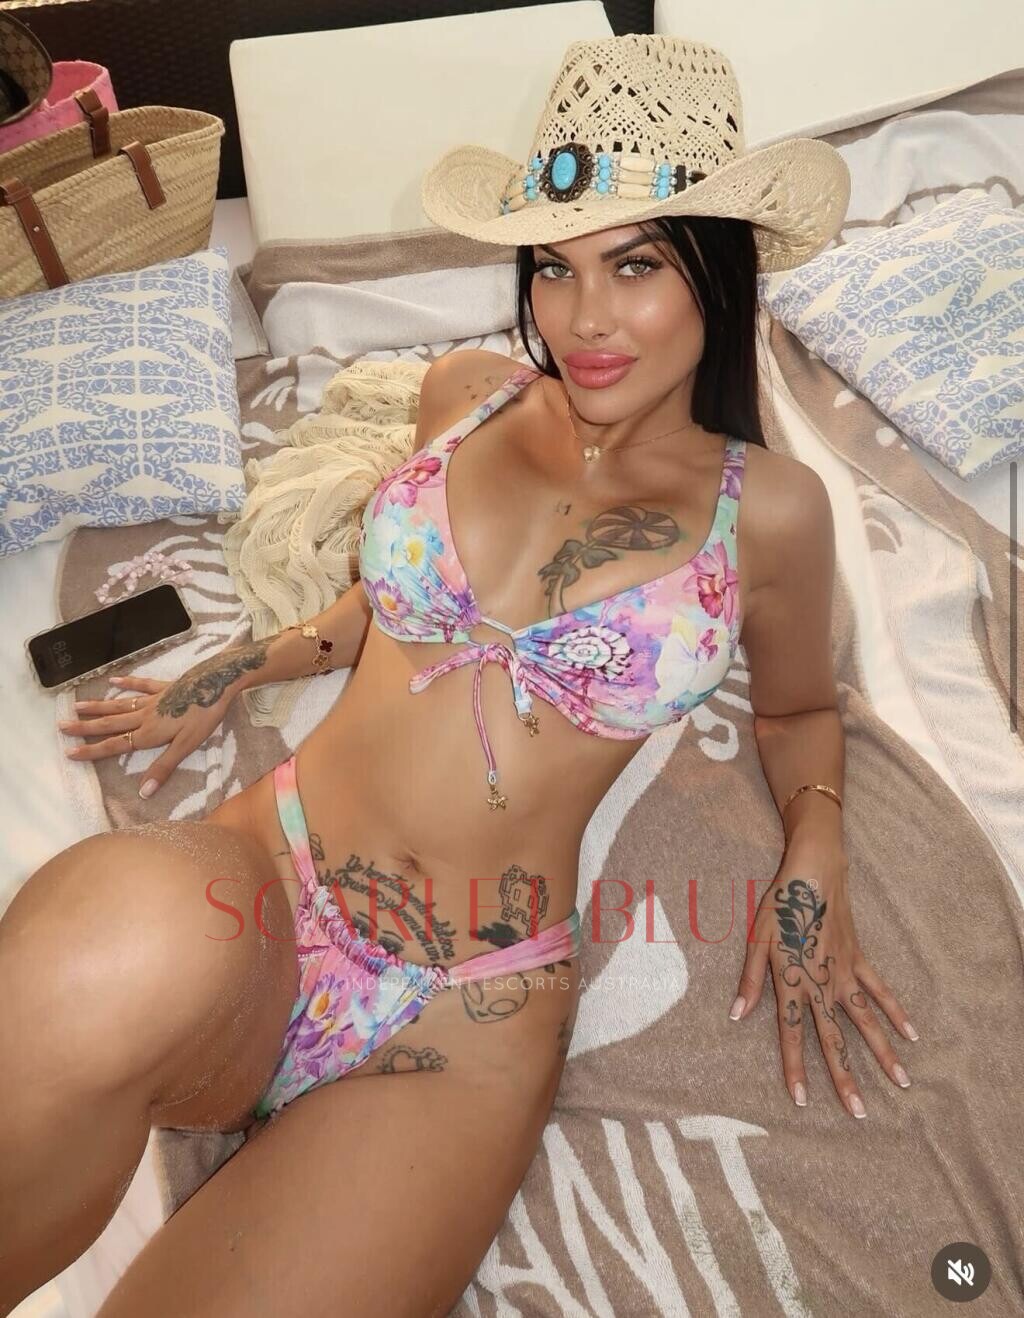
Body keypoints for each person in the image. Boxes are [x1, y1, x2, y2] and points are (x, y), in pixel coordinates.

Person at [0, 33, 917, 1318]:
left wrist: (814, 854)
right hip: (264, 882)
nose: (581, 319)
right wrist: (237, 668)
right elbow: (382, 607)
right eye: (553, 267)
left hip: (460, 1017)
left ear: (718, 266)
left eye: (635, 265)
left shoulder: (765, 512)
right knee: (83, 959)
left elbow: (802, 708)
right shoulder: (465, 392)